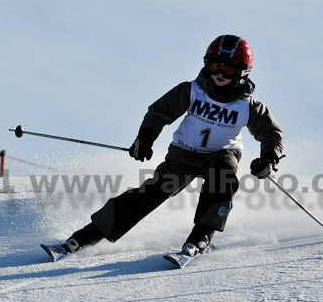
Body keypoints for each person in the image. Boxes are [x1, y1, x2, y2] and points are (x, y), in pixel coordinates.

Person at [59, 34, 283, 257]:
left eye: (228, 70)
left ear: (243, 73)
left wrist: (269, 159)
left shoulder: (248, 106)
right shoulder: (192, 91)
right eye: (215, 66)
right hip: (183, 155)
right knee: (152, 192)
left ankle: (201, 236)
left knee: (223, 177)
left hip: (221, 154)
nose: (219, 74)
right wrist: (145, 138)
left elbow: (271, 133)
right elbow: (159, 112)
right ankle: (86, 235)